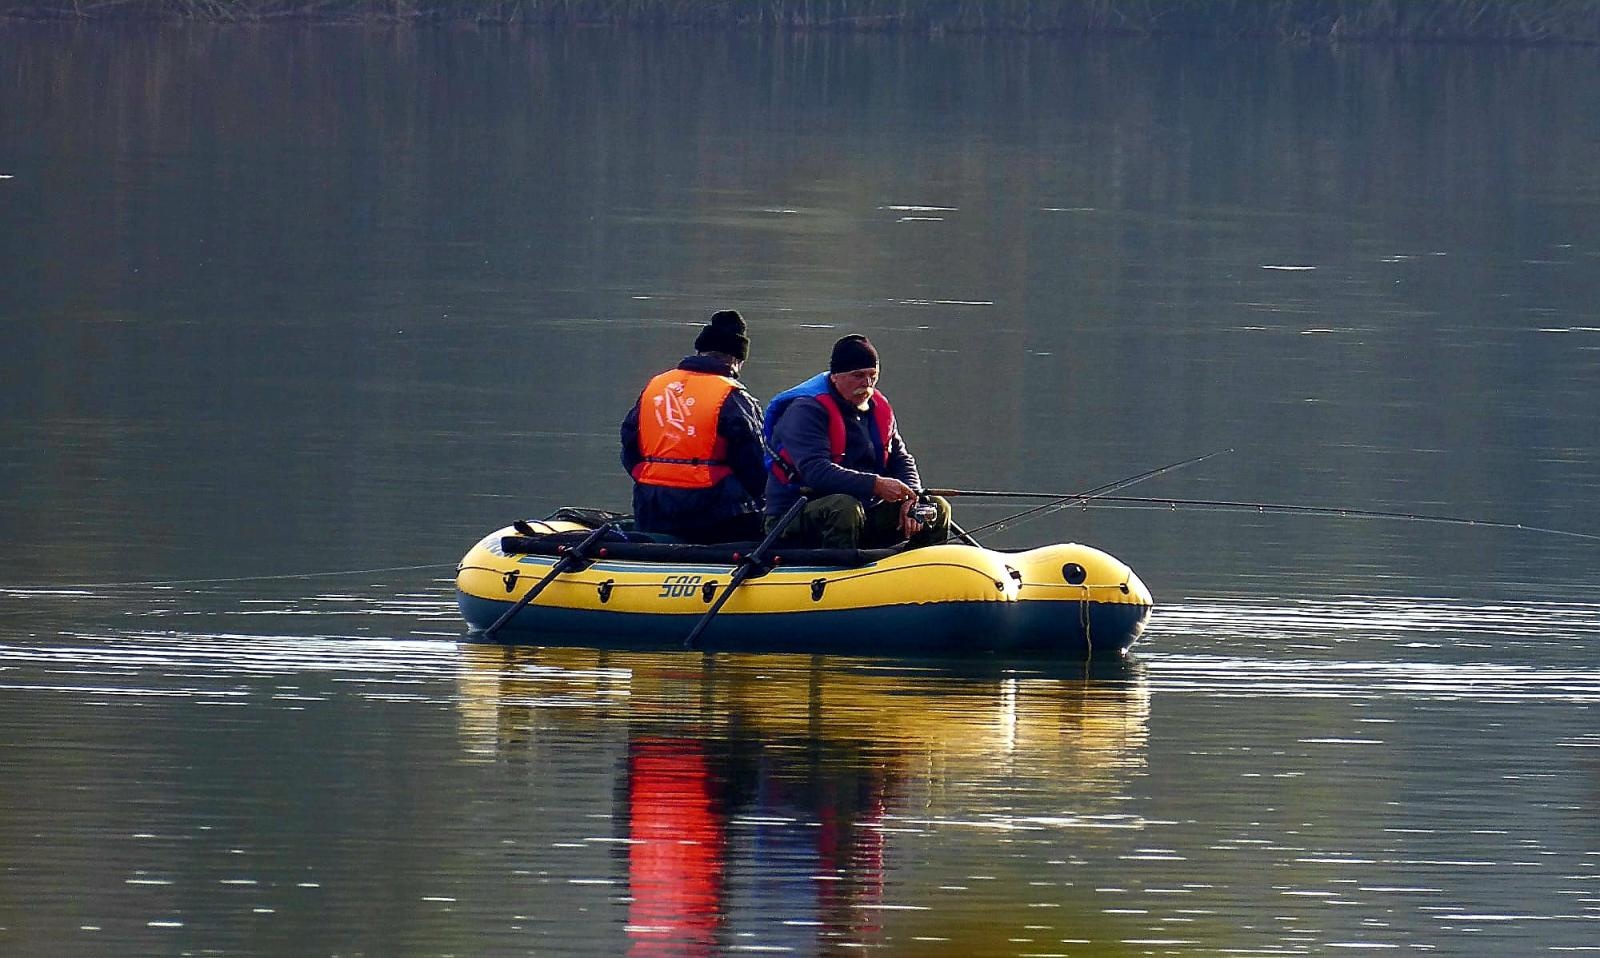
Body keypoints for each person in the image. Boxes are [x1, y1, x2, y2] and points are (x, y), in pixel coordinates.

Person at [762, 334, 951, 549]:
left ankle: (926, 566)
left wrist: (912, 497)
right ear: (836, 376)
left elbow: (900, 458)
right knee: (843, 507)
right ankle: (838, 567)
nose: (867, 384)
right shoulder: (805, 410)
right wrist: (875, 485)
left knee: (935, 508)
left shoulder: (877, 408)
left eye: (873, 375)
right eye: (858, 376)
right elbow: (816, 472)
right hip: (792, 516)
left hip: (863, 511)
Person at [621, 310, 766, 543]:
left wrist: (651, 480)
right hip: (711, 515)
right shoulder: (732, 396)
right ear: (736, 360)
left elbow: (629, 447)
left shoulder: (656, 387)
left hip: (651, 508)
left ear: (700, 351)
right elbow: (754, 464)